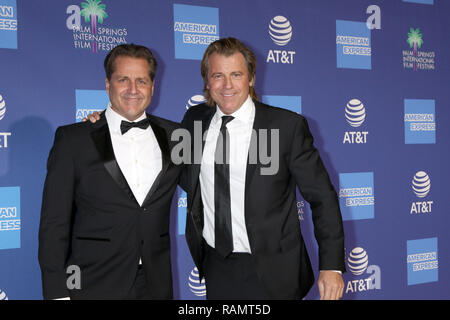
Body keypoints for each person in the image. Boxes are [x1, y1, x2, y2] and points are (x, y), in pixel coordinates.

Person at [180, 37, 345, 300]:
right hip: (216, 265)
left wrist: (331, 266)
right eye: (218, 75)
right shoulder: (194, 120)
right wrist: (103, 123)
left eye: (236, 74)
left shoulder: (285, 127)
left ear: (251, 78)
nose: (227, 85)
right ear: (207, 81)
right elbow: (166, 158)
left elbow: (322, 197)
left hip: (273, 272)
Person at [38, 44, 182, 300]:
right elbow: (54, 224)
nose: (133, 90)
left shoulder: (177, 137)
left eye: (141, 81)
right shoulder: (74, 140)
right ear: (108, 84)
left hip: (155, 285)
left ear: (152, 86)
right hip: (92, 284)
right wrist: (57, 293)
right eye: (123, 80)